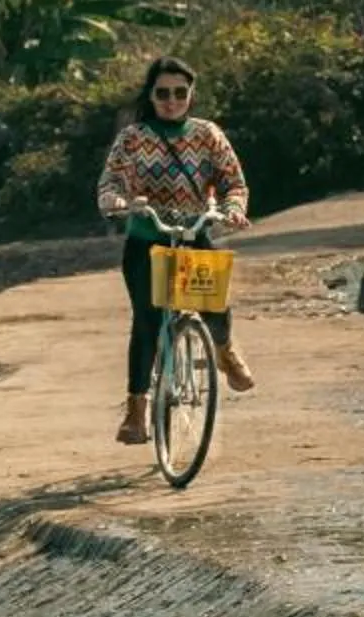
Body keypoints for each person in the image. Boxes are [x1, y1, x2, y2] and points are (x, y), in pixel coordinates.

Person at [96, 56, 255, 446]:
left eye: (180, 93)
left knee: (214, 304)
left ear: (190, 95)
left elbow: (234, 183)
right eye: (163, 93)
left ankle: (225, 351)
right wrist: (116, 202)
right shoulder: (133, 138)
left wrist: (234, 210)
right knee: (148, 320)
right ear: (151, 95)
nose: (171, 101)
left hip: (193, 232)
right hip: (147, 239)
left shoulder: (207, 134)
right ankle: (137, 409)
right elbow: (111, 182)